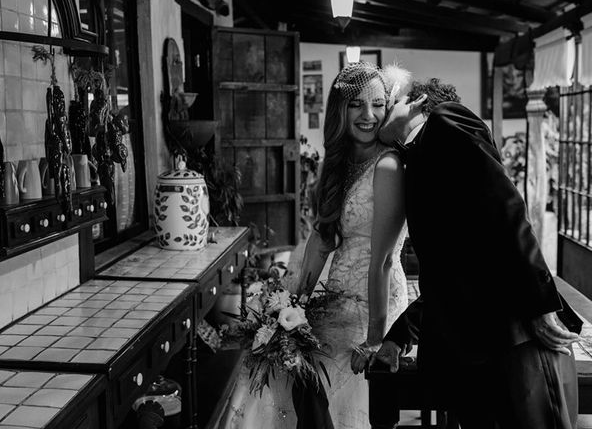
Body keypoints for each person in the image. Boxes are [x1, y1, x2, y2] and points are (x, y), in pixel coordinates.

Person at [373, 78, 582, 429]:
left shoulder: (444, 121)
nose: (379, 112)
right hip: (472, 356)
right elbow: (454, 273)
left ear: (416, 103)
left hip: (515, 338)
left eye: (388, 101)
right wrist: (399, 334)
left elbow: (507, 208)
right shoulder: (413, 161)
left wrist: (542, 303)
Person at [220, 62, 411, 429]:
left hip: (377, 302)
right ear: (340, 110)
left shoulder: (387, 167)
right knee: (285, 360)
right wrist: (295, 306)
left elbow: (384, 260)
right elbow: (322, 241)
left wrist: (374, 339)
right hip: (337, 295)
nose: (368, 115)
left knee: (319, 381)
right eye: (356, 104)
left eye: (377, 104)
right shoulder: (337, 165)